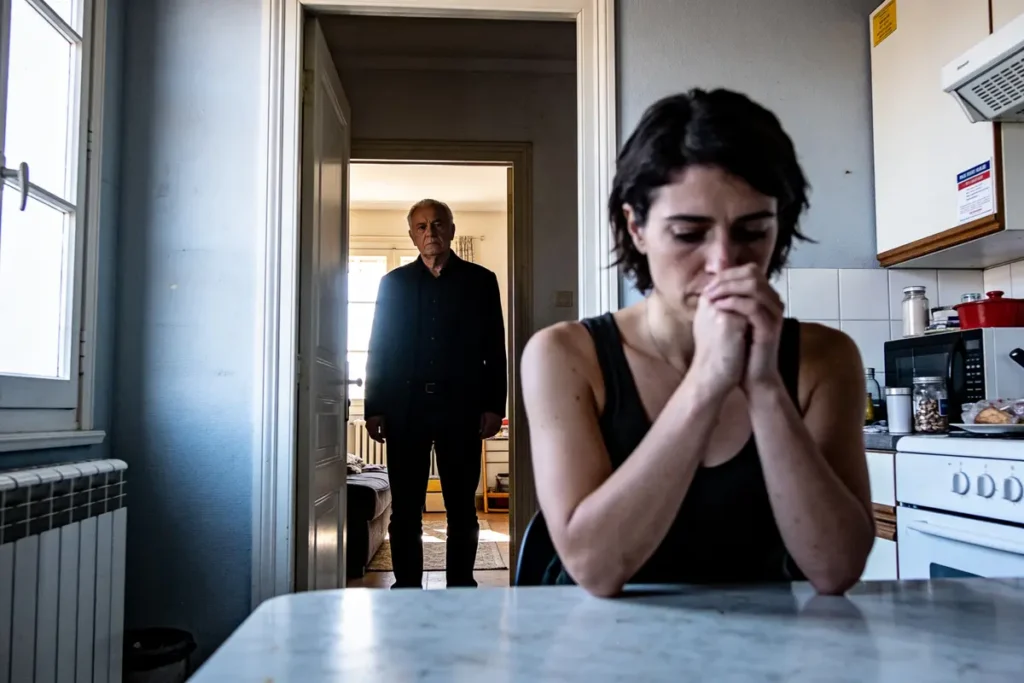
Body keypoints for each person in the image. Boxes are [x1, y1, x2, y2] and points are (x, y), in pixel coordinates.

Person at [521, 89, 874, 597]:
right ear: (636, 227)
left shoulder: (825, 359)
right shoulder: (564, 356)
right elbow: (594, 569)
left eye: (753, 231)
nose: (723, 262)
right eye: (689, 234)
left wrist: (765, 386)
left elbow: (836, 569)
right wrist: (707, 381)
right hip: (593, 634)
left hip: (765, 639)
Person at [364, 199, 507, 589]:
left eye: (439, 224)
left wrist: (494, 405)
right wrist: (375, 406)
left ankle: (461, 586)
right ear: (413, 235)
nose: (431, 232)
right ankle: (407, 587)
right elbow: (379, 346)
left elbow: (494, 347)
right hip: (404, 409)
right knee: (405, 510)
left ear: (452, 230)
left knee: (462, 508)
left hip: (462, 409)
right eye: (422, 226)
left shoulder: (481, 281)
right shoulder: (392, 284)